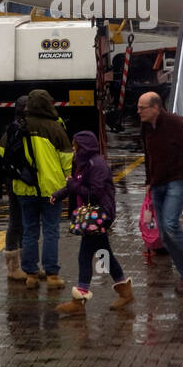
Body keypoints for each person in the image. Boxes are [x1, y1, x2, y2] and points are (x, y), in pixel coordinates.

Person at [0, 88, 73, 290]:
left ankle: (30, 273)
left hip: (24, 187)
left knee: (29, 230)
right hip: (51, 189)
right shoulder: (55, 127)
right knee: (50, 231)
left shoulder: (18, 126)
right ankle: (52, 274)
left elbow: (2, 150)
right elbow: (67, 159)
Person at [50, 130, 132, 315]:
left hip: (98, 216)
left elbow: (94, 191)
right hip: (90, 216)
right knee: (104, 254)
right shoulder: (83, 163)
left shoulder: (97, 164)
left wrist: (72, 187)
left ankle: (79, 300)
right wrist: (59, 194)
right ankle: (124, 290)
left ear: (83, 146)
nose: (73, 149)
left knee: (85, 255)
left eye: (75, 146)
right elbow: (74, 184)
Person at [138, 91, 183, 294]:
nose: (138, 111)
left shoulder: (175, 123)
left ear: (156, 108)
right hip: (158, 182)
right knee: (164, 234)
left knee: (171, 225)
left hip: (178, 179)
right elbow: (148, 154)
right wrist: (148, 181)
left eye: (142, 108)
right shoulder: (145, 126)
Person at [0, 95, 30, 280]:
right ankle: (16, 266)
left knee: (19, 222)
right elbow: (3, 151)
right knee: (18, 222)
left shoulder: (13, 127)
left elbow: (1, 151)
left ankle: (20, 265)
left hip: (15, 179)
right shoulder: (17, 129)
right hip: (18, 180)